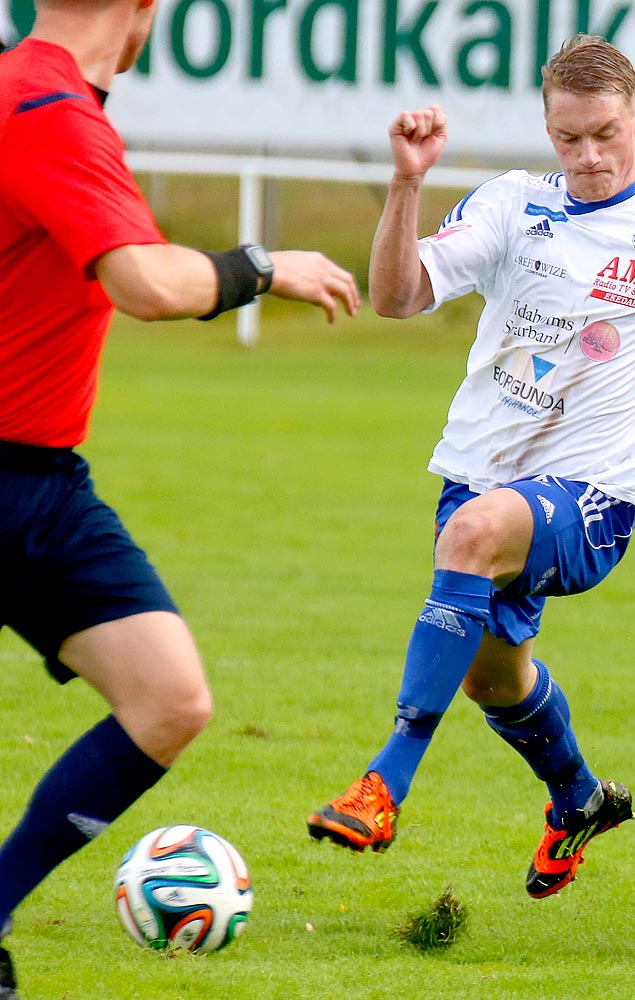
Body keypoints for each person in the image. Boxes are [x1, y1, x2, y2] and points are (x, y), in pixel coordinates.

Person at [303, 33, 635, 899]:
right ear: (547, 130)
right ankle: (577, 798)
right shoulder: (509, 204)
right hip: (478, 474)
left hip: (595, 496)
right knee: (492, 674)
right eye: (568, 139)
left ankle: (383, 783)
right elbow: (396, 297)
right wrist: (405, 184)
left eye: (606, 134)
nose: (589, 157)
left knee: (472, 535)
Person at [0, 0, 360, 993]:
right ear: (144, 7)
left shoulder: (50, 97)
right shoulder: (43, 106)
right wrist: (264, 266)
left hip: (41, 481)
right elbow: (147, 282)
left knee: (167, 697)